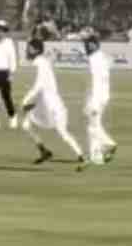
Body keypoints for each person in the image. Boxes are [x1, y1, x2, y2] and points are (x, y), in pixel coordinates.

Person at [20, 38, 87, 168]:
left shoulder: (39, 63)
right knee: (27, 125)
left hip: (49, 105)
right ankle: (45, 151)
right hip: (46, 104)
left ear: (37, 50)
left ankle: (80, 155)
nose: (27, 50)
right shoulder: (42, 62)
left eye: (30, 47)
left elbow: (38, 85)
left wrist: (25, 100)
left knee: (60, 131)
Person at [83, 30, 117, 165]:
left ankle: (104, 148)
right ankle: (100, 152)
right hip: (104, 96)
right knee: (94, 125)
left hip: (96, 97)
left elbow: (94, 81)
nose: (85, 47)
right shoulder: (103, 57)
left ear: (93, 45)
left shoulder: (93, 59)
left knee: (92, 127)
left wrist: (91, 101)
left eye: (87, 44)